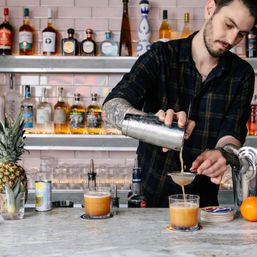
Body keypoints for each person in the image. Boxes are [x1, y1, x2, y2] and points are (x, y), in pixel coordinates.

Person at [103, 0, 257, 207]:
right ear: (210, 9)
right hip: (149, 203)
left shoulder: (242, 74)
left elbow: (232, 132)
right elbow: (112, 106)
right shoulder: (161, 57)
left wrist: (222, 153)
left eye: (241, 34)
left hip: (204, 206)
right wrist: (152, 123)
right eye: (228, 25)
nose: (231, 39)